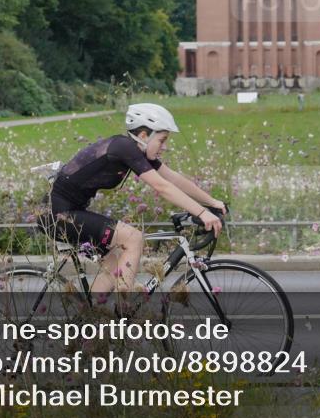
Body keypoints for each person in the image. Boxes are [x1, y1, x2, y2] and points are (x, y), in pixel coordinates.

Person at [48, 103, 225, 296]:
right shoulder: (123, 147)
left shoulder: (135, 150)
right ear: (143, 136)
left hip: (73, 211)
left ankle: (91, 318)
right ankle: (124, 311)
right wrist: (201, 212)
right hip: (59, 215)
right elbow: (162, 186)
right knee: (133, 238)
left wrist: (212, 202)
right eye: (162, 140)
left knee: (115, 263)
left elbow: (172, 178)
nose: (164, 147)